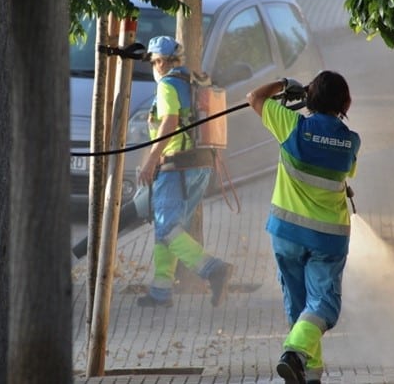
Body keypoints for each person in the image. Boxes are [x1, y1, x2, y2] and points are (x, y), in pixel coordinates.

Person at [246, 71, 360, 384]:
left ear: (309, 97)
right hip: (328, 238)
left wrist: (283, 85)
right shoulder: (351, 141)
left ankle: (310, 373)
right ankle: (296, 354)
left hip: (286, 233)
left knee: (300, 306)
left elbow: (254, 98)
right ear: (344, 102)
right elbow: (347, 169)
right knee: (322, 304)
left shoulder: (291, 125)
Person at [135, 35, 234, 308]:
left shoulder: (167, 84)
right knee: (169, 230)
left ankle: (214, 269)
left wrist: (151, 159)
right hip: (201, 165)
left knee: (167, 227)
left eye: (154, 62)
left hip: (176, 166)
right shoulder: (194, 80)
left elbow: (170, 120)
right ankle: (161, 291)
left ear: (161, 62)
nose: (153, 68)